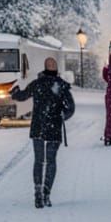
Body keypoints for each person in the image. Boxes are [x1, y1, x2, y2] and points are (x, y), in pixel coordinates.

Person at [9, 57, 75, 208]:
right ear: (56, 68)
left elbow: (23, 95)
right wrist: (61, 116)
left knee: (39, 160)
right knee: (51, 161)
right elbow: (71, 108)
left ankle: (38, 191)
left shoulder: (37, 84)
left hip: (38, 126)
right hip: (54, 127)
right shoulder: (62, 86)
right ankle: (46, 193)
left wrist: (14, 92)